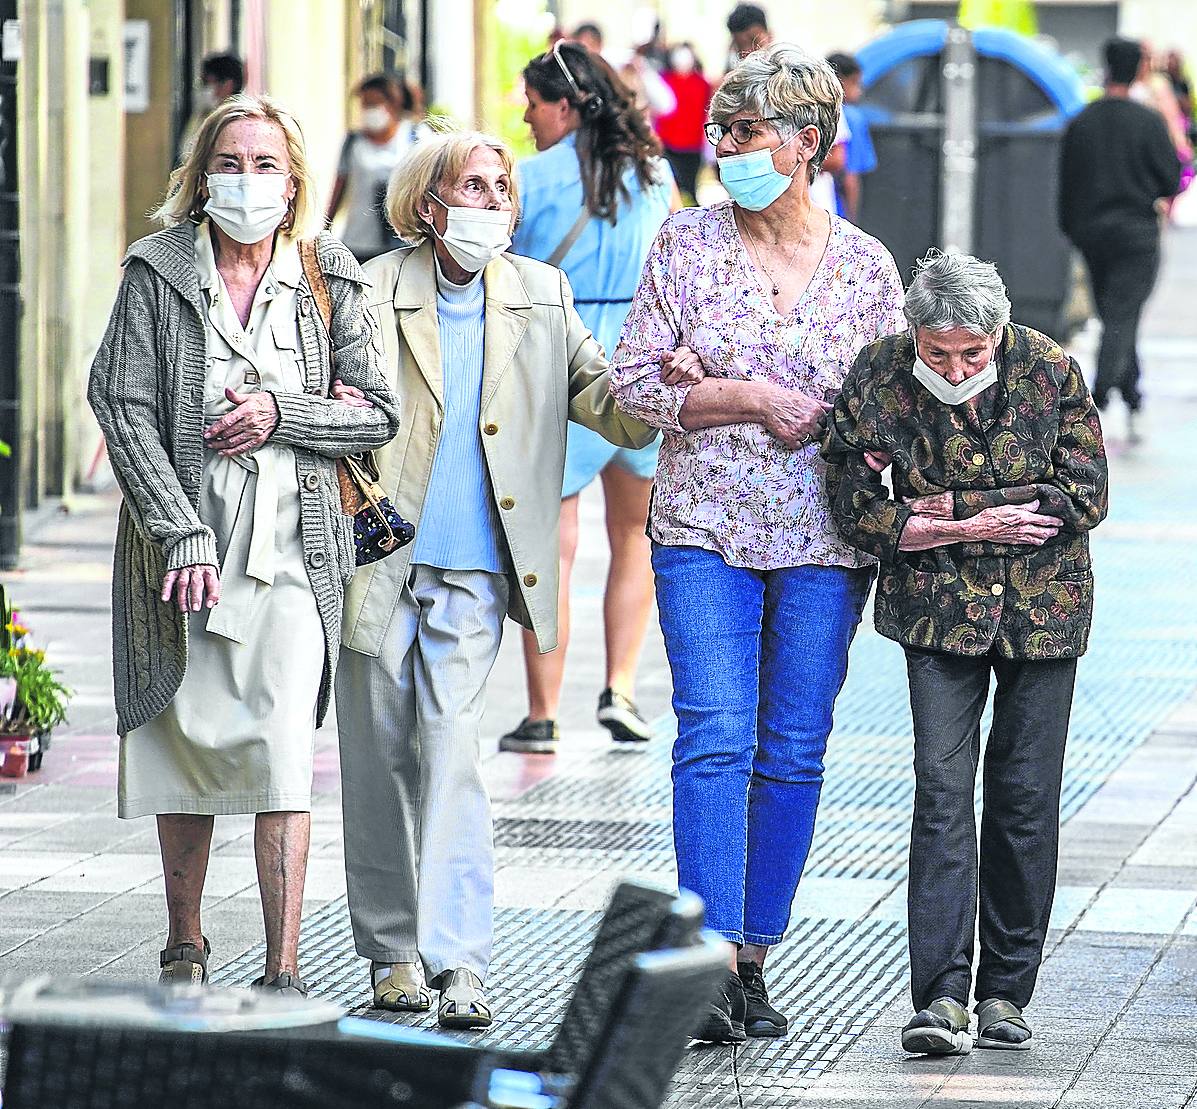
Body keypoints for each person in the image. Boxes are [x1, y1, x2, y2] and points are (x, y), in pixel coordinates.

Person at [334, 130, 700, 1030]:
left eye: (501, 186)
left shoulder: (542, 291)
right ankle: (391, 951)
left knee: (453, 751)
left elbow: (608, 405)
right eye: (474, 186)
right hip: (376, 561)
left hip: (473, 568)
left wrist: (663, 386)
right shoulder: (368, 289)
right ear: (428, 205)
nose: (494, 200)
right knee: (377, 760)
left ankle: (459, 959)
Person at [610, 43, 905, 1044]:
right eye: (721, 131)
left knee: (791, 746)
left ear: (805, 142)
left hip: (825, 537)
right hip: (704, 525)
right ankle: (703, 962)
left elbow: (893, 406)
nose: (725, 147)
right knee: (714, 734)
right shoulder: (685, 244)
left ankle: (752, 958)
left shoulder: (866, 266)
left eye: (746, 132)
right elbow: (634, 384)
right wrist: (739, 395)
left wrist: (873, 437)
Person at [87, 94, 400, 997]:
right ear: (200, 177)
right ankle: (184, 941)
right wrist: (177, 528)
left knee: (280, 751)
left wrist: (282, 412)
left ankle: (282, 966)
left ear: (294, 182)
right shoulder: (156, 269)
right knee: (180, 740)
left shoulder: (327, 271)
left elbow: (376, 411)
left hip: (295, 549)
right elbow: (121, 401)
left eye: (266, 165)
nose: (247, 181)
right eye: (229, 163)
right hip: (182, 544)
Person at [823, 251, 1108, 1056]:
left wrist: (940, 509)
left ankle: (1005, 992)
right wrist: (965, 522)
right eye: (936, 352)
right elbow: (847, 495)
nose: (952, 369)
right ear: (913, 335)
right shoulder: (881, 371)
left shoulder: (1049, 369)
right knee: (941, 792)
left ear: (997, 333)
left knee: (1023, 796)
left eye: (969, 353)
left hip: (1042, 613)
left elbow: (1081, 495)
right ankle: (941, 996)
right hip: (935, 613)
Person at [499, 41, 676, 755]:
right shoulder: (655, 173)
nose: (526, 118)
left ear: (566, 107)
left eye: (533, 105)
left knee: (551, 546)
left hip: (557, 361)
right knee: (635, 536)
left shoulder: (529, 179)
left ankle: (542, 713)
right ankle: (621, 688)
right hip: (641, 362)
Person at [1059, 37, 1181, 441]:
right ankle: (1100, 394)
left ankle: (1132, 394)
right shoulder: (1148, 122)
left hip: (1092, 233)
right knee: (1122, 314)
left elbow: (1066, 183)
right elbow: (1170, 178)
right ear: (1140, 69)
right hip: (1136, 232)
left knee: (1115, 313)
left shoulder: (1082, 121)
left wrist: (1072, 229)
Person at [327, 74, 430, 263]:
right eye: (365, 104)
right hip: (359, 242)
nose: (369, 110)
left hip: (405, 242)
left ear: (394, 104)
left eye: (374, 103)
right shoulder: (354, 143)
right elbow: (340, 185)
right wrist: (326, 226)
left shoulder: (417, 138)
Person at [657, 43, 712, 203]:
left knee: (689, 187)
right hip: (668, 145)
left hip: (692, 147)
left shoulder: (702, 83)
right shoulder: (664, 80)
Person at [827, 51, 877, 222]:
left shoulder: (815, 112)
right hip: (835, 208)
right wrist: (852, 220)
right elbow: (850, 177)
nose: (859, 90)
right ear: (840, 81)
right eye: (855, 82)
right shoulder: (852, 118)